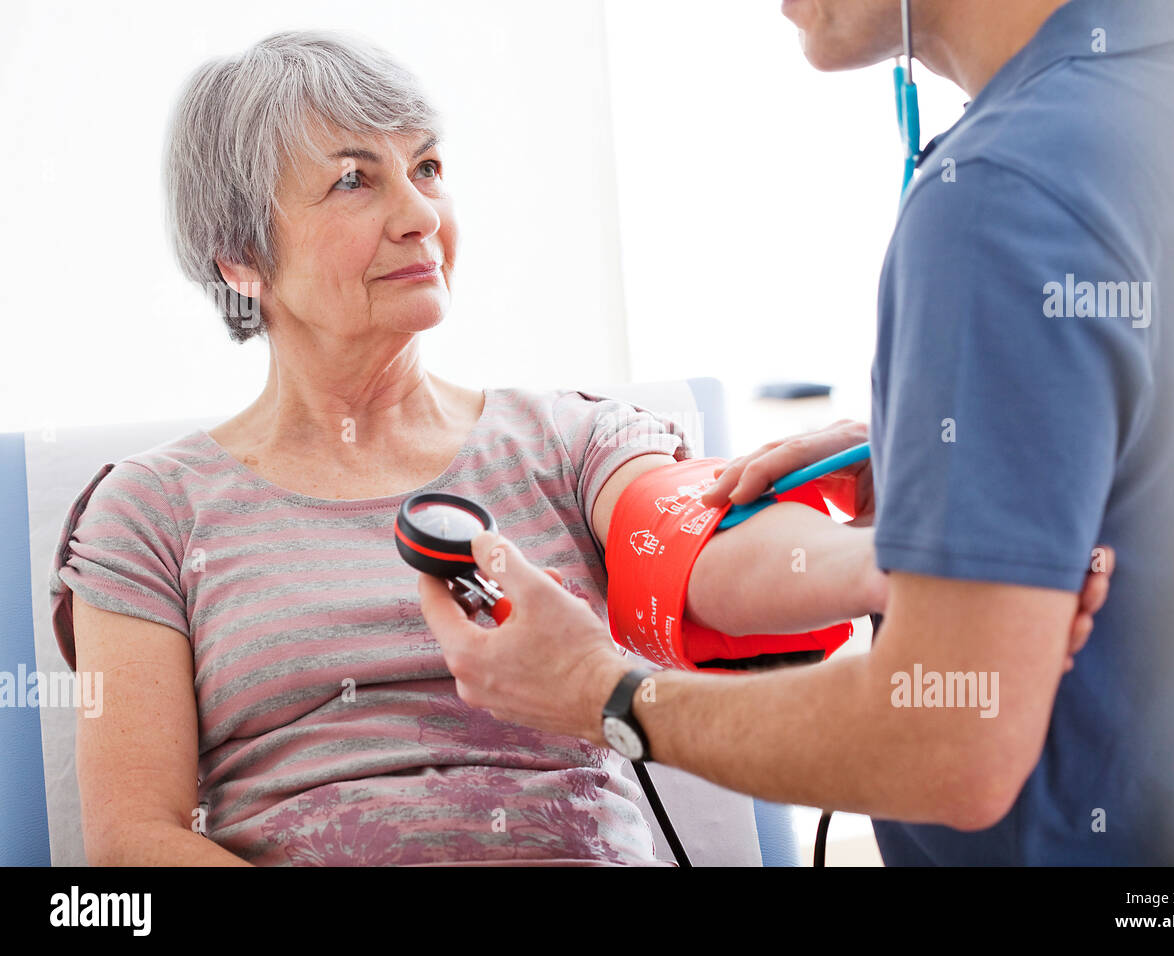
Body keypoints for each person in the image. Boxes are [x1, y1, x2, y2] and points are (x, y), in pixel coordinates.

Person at [50, 27, 934, 866]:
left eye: (427, 167)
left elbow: (707, 552)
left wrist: (895, 562)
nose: (420, 214)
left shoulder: (570, 439)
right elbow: (133, 842)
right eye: (355, 181)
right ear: (240, 257)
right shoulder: (151, 512)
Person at [424, 0, 1174, 864]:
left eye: (426, 168)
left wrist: (603, 692)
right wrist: (994, 438)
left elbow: (948, 742)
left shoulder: (1001, 198)